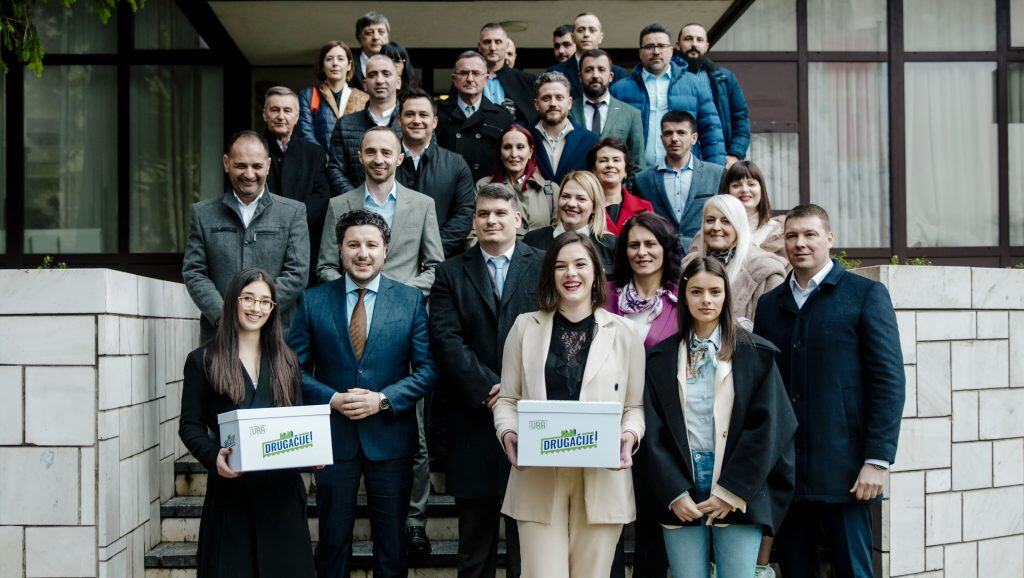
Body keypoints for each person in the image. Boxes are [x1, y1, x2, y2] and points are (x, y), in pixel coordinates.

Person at [754, 204, 905, 578]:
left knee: (854, 570)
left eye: (810, 234)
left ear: (829, 238)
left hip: (847, 471)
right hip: (787, 473)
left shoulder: (865, 294)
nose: (800, 243)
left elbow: (889, 381)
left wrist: (877, 459)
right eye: (792, 236)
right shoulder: (769, 305)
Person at [289, 209, 438, 578]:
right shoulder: (313, 300)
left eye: (371, 245)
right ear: (340, 249)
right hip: (333, 440)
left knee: (392, 547)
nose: (362, 253)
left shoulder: (409, 301)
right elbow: (294, 370)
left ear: (385, 250)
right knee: (332, 543)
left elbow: (427, 370)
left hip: (390, 440)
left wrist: (382, 400)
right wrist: (332, 398)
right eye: (353, 244)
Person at [493, 231, 645, 578]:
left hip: (603, 476)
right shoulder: (524, 327)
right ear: (550, 273)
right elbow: (508, 399)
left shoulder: (625, 333)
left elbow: (634, 408)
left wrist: (629, 436)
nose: (570, 273)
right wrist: (509, 432)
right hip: (537, 475)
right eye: (560, 266)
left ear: (595, 272)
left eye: (580, 264)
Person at [636, 256, 797, 578]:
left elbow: (769, 427)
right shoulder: (659, 358)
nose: (706, 300)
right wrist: (674, 491)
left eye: (715, 292)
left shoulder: (756, 353)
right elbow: (653, 430)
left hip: (737, 482)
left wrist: (732, 490)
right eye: (696, 292)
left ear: (726, 296)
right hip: (681, 482)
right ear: (684, 296)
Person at [430, 183, 545, 578]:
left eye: (499, 213)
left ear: (517, 218)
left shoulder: (543, 265)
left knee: (526, 550)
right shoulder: (449, 272)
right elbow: (446, 339)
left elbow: (550, 331)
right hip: (473, 420)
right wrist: (489, 389)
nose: (491, 220)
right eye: (483, 214)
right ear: (474, 221)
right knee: (474, 549)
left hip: (531, 418)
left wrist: (514, 392)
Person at [179, 268, 316, 578]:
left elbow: (296, 420)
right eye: (249, 299)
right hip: (232, 494)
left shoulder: (288, 360)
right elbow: (190, 425)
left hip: (282, 497)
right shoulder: (203, 360)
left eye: (265, 301)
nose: (257, 308)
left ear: (273, 308)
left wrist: (309, 452)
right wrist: (213, 455)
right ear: (233, 301)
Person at [183, 131, 309, 341]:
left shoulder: (292, 213)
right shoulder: (203, 214)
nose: (249, 174)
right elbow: (195, 272)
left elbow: (297, 273)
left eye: (257, 166)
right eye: (241, 165)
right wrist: (223, 316)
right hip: (219, 336)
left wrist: (259, 312)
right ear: (226, 163)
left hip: (277, 336)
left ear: (268, 165)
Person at [317, 127, 444, 296]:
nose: (378, 160)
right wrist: (352, 291)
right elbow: (326, 267)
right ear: (360, 157)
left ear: (399, 158)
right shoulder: (338, 205)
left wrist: (403, 294)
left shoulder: (422, 205)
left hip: (403, 304)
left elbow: (436, 267)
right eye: (370, 152)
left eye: (386, 153)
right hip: (354, 303)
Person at [610, 22, 725, 169]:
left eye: (662, 46)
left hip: (684, 172)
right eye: (649, 47)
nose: (656, 52)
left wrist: (715, 172)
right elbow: (612, 137)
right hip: (637, 173)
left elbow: (711, 131)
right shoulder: (620, 90)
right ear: (640, 53)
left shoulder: (695, 85)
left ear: (671, 51)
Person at [684, 194, 786, 329]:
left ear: (739, 225)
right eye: (710, 220)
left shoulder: (766, 270)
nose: (716, 227)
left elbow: (776, 329)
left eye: (726, 221)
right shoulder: (688, 266)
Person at [263, 86, 332, 284]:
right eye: (274, 110)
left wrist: (293, 222)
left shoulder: (313, 153)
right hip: (263, 240)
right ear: (264, 114)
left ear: (297, 116)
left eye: (287, 110)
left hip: (303, 242)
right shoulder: (254, 149)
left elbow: (322, 196)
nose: (281, 116)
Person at [396, 89, 476, 258]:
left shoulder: (455, 164)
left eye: (423, 115)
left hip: (441, 260)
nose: (417, 120)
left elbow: (464, 214)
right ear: (399, 121)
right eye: (409, 114)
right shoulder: (384, 163)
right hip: (392, 259)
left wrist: (432, 251)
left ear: (435, 122)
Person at [634, 110, 724, 249]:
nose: (674, 138)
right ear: (661, 138)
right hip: (661, 254)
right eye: (668, 133)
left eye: (681, 133)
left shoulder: (716, 174)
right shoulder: (642, 180)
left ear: (694, 138)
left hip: (704, 252)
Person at [676, 23, 750, 168]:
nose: (694, 44)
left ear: (706, 46)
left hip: (716, 159)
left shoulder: (723, 78)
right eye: (688, 39)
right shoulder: (669, 77)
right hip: (676, 159)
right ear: (678, 45)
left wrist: (735, 154)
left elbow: (740, 118)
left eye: (699, 40)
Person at [327, 54, 402, 194]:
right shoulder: (345, 124)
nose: (379, 80)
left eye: (386, 74)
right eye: (372, 75)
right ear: (365, 84)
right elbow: (335, 169)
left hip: (403, 204)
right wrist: (357, 201)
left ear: (398, 82)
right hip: (355, 204)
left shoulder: (410, 124)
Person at [436, 51, 515, 182]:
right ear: (454, 79)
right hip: (447, 187)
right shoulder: (437, 112)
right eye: (464, 73)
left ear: (486, 79)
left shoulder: (502, 116)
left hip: (487, 188)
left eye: (476, 73)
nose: (470, 79)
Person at [523, 170, 615, 272]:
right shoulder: (533, 240)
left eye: (581, 199)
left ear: (594, 207)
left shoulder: (610, 245)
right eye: (565, 196)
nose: (571, 204)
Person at [569, 49, 645, 172]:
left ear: (610, 76)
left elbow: (637, 164)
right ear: (580, 77)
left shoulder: (631, 114)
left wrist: (626, 185)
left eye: (601, 69)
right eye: (588, 70)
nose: (595, 75)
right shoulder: (568, 111)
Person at [477, 124, 558, 237]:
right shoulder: (483, 186)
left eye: (520, 147)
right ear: (500, 153)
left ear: (530, 152)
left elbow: (559, 235)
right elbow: (474, 232)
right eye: (507, 147)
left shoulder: (550, 190)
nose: (514, 154)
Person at [297, 41, 369, 157]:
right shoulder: (308, 95)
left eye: (340, 59)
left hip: (355, 164)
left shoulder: (363, 98)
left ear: (349, 65)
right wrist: (326, 161)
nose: (335, 63)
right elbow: (305, 132)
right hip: (320, 163)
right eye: (329, 59)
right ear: (322, 66)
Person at [528, 71, 600, 185]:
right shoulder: (524, 137)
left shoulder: (590, 140)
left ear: (569, 102)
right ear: (537, 104)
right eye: (546, 98)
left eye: (559, 97)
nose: (553, 103)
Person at [547, 12, 630, 99]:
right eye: (580, 30)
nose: (586, 34)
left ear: (601, 37)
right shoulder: (555, 72)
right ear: (572, 37)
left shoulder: (618, 73)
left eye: (592, 30)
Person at [587, 137, 652, 236]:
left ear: (626, 171)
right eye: (603, 160)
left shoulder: (645, 208)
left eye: (616, 160)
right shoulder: (584, 207)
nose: (610, 165)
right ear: (594, 170)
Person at [720, 160, 786, 258]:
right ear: (727, 191)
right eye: (736, 185)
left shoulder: (778, 231)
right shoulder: (715, 229)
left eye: (751, 184)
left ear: (761, 189)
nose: (744, 190)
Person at [477, 23, 538, 124]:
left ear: (506, 46)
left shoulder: (527, 81)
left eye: (498, 42)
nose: (492, 47)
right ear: (479, 46)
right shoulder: (468, 79)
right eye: (487, 42)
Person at [352, 11, 391, 87]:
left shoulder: (397, 62)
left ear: (388, 37)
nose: (376, 37)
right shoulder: (348, 64)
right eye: (369, 33)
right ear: (359, 38)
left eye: (381, 32)